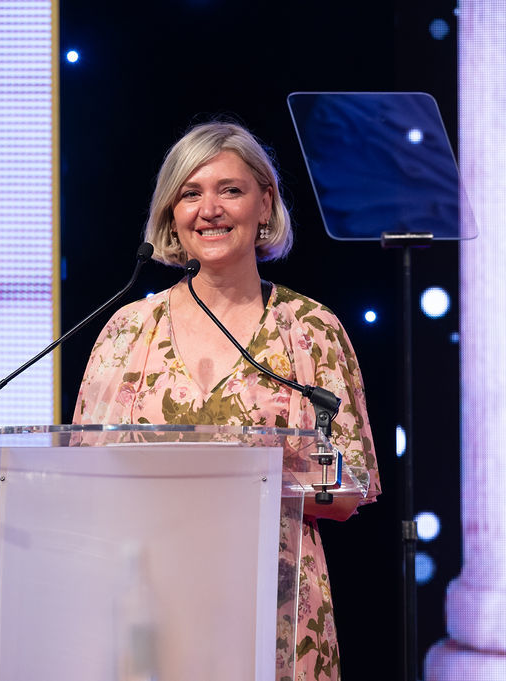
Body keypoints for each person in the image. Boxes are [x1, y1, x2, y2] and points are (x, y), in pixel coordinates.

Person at [73, 121, 380, 680]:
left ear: (265, 203)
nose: (209, 210)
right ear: (171, 214)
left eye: (230, 190)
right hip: (151, 613)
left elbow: (347, 492)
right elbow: (86, 482)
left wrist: (235, 478)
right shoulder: (128, 330)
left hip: (277, 613)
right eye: (190, 193)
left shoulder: (312, 329)